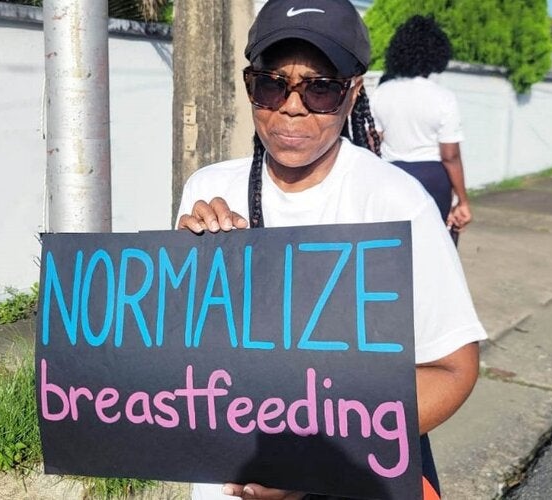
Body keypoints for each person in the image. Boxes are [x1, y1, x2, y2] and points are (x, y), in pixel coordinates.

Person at [177, 1, 487, 499]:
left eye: (320, 87)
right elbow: (178, 349)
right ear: (249, 85)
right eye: (271, 84)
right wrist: (190, 264)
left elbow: (453, 367)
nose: (292, 106)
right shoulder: (208, 187)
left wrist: (311, 464)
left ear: (353, 93)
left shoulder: (395, 201)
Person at [370, 15, 472, 244]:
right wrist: (462, 200)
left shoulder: (382, 93)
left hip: (391, 176)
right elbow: (450, 156)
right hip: (432, 179)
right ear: (437, 53)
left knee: (395, 248)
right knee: (435, 246)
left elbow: (373, 141)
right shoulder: (443, 97)